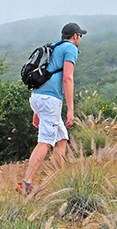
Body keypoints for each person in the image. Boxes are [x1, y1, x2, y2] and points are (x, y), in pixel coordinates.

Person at [17, 22, 86, 196]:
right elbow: (67, 79)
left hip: (38, 97)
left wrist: (37, 112)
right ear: (76, 36)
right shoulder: (70, 48)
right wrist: (70, 109)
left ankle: (60, 180)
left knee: (61, 138)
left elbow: (43, 77)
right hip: (50, 100)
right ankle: (27, 183)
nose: (80, 39)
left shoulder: (53, 47)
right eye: (80, 36)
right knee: (46, 141)